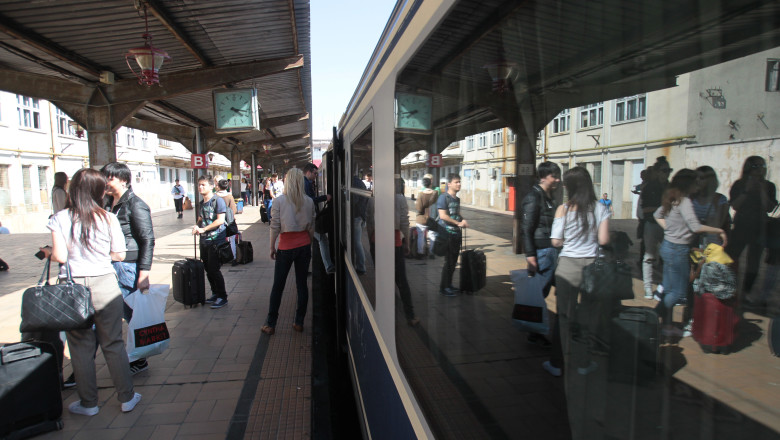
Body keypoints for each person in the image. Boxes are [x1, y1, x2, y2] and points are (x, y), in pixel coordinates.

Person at [47, 168, 141, 416]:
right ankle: (127, 397)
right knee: (113, 342)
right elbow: (120, 254)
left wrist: (50, 252)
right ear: (99, 192)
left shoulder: (61, 218)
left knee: (80, 346)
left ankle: (88, 403)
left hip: (73, 287)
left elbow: (59, 256)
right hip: (105, 284)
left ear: (73, 190)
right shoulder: (108, 218)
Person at [549, 166, 610, 438]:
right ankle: (584, 362)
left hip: (567, 268)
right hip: (592, 269)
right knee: (587, 316)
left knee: (565, 317)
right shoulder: (600, 208)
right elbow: (604, 240)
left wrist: (567, 238)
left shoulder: (563, 209)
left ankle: (565, 363)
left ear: (569, 186)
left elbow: (555, 241)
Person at [654, 169, 728, 336]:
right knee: (678, 292)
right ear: (689, 184)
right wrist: (719, 231)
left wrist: (670, 230)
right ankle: (655, 314)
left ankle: (666, 326)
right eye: (696, 182)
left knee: (669, 289)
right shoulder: (685, 201)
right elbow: (695, 227)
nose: (699, 185)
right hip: (677, 249)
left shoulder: (673, 197)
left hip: (669, 246)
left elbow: (657, 214)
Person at [101, 162, 156, 376]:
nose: (106, 182)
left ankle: (139, 358)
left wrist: (144, 272)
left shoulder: (135, 204)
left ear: (123, 180)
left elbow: (147, 240)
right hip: (111, 264)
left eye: (110, 178)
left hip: (129, 266)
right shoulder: (107, 203)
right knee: (122, 313)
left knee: (133, 315)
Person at [261, 168, 315, 335]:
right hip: (304, 246)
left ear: (287, 181)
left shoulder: (279, 201)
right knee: (301, 285)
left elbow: (275, 226)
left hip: (285, 247)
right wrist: (309, 244)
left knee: (278, 286)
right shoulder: (309, 201)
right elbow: (311, 228)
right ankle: (299, 322)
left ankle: (271, 324)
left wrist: (271, 247)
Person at [520, 161, 562, 374]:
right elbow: (526, 229)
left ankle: (535, 331)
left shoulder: (547, 197)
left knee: (542, 294)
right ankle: (534, 332)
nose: (557, 179)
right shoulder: (533, 197)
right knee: (538, 295)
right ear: (543, 177)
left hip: (551, 251)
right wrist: (530, 256)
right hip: (542, 253)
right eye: (554, 176)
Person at [727, 156, 778, 296]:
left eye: (762, 166)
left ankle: (745, 292)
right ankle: (729, 288)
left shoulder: (769, 186)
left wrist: (762, 191)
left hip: (759, 228)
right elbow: (735, 205)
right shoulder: (740, 184)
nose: (760, 170)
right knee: (731, 258)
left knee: (753, 264)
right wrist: (747, 190)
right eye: (756, 167)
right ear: (748, 168)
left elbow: (770, 208)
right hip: (741, 226)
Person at [192, 174, 229, 309]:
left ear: (211, 187)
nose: (200, 187)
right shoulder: (202, 203)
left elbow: (220, 220)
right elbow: (201, 218)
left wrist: (204, 229)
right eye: (199, 185)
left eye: (203, 185)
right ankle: (215, 293)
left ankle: (222, 296)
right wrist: (197, 226)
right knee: (207, 269)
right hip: (205, 241)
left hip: (215, 241)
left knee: (214, 269)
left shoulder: (217, 201)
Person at [640, 157, 672, 299]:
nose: (667, 174)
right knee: (649, 257)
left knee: (668, 257)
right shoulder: (649, 187)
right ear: (658, 172)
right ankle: (647, 288)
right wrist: (662, 209)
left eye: (669, 171)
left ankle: (664, 286)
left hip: (667, 225)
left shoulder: (670, 187)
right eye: (664, 171)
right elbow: (645, 209)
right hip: (652, 225)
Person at [437, 173, 468, 296]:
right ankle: (444, 288)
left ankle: (448, 285)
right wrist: (458, 223)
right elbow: (443, 216)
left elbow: (457, 213)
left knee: (453, 262)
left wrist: (463, 220)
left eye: (459, 182)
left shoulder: (457, 199)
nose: (459, 184)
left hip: (456, 234)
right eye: (456, 182)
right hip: (447, 234)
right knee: (448, 262)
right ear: (449, 184)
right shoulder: (443, 198)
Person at [303, 163, 334, 274]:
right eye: (315, 173)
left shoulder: (306, 182)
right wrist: (325, 197)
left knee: (310, 243)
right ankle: (328, 266)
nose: (316, 175)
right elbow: (309, 200)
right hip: (308, 217)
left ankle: (305, 269)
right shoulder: (305, 183)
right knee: (321, 239)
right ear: (309, 172)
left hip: (307, 217)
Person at [395, 178, 419, 326]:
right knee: (402, 281)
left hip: (376, 241)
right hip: (395, 242)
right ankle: (410, 316)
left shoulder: (373, 198)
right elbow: (404, 223)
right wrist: (407, 244)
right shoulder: (399, 199)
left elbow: (370, 222)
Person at [691, 166, 730, 247]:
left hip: (713, 243)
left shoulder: (720, 199)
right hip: (692, 242)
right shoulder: (691, 198)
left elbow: (718, 223)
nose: (697, 180)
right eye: (695, 177)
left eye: (701, 178)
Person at [415, 174, 438, 259]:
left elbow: (419, 208)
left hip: (421, 218)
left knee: (421, 236)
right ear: (430, 184)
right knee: (432, 235)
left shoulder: (421, 194)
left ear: (423, 184)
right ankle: (432, 253)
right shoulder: (435, 193)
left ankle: (420, 253)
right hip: (432, 217)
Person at [216, 179, 239, 265]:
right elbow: (234, 210)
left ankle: (220, 258)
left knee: (219, 240)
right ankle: (233, 258)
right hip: (229, 221)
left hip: (218, 221)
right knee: (232, 239)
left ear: (218, 186)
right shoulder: (229, 196)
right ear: (227, 186)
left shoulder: (215, 197)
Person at [351, 175, 368, 275]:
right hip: (361, 215)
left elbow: (354, 200)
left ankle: (361, 267)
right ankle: (360, 264)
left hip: (356, 216)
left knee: (357, 242)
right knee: (357, 242)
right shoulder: (359, 182)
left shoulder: (354, 183)